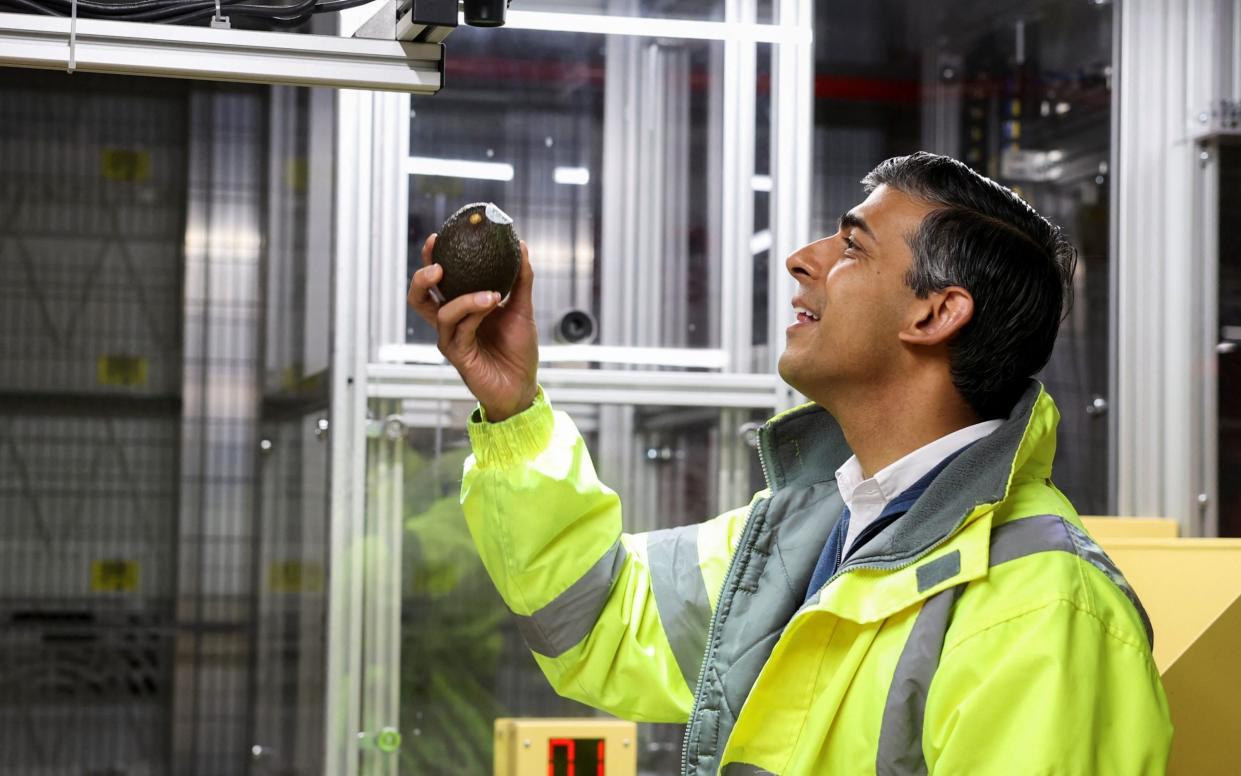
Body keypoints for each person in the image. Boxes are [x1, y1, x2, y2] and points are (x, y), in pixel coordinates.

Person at [407, 152, 1173, 775]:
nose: (802, 261)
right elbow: (604, 618)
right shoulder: (810, 534)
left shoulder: (1041, 610)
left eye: (851, 246)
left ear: (935, 313)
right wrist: (514, 409)